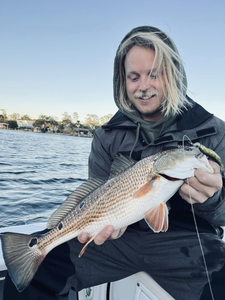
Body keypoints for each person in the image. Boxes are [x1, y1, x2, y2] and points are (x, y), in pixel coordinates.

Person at [3, 26, 225, 300]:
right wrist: (109, 220)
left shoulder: (213, 131)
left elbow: (222, 216)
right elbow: (94, 193)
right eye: (134, 77)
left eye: (154, 74)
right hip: (116, 241)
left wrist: (212, 198)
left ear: (173, 75)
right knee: (31, 275)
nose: (143, 87)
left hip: (189, 247)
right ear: (123, 81)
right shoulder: (106, 135)